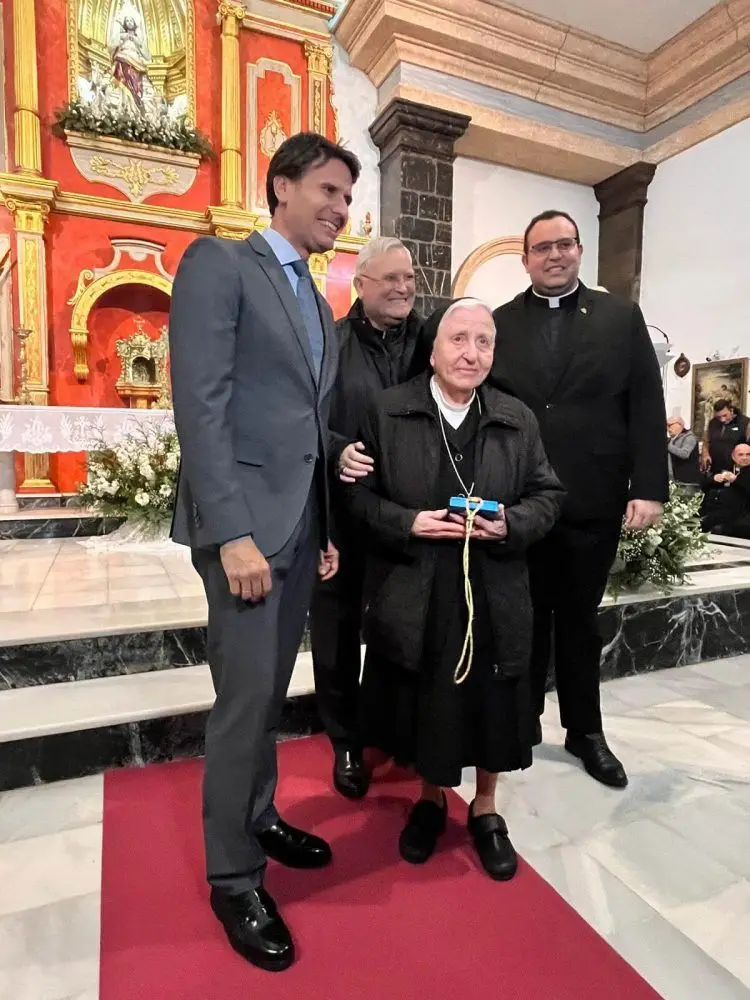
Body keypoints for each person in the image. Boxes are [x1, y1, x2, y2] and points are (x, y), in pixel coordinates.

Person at [169, 132, 360, 972]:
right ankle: (233, 878)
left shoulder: (317, 301)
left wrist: (322, 527)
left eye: (347, 198)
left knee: (271, 693)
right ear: (281, 186)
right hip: (244, 529)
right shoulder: (221, 263)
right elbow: (201, 404)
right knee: (244, 704)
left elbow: (305, 427)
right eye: (327, 190)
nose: (339, 209)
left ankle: (258, 816)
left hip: (296, 527)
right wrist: (233, 533)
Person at [344, 299, 564, 879]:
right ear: (434, 349)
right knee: (429, 698)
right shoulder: (388, 410)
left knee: (492, 700)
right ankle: (431, 798)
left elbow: (548, 494)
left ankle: (486, 809)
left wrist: (510, 523)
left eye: (484, 341)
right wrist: (407, 522)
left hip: (495, 583)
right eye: (458, 339)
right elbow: (356, 497)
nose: (471, 353)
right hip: (419, 584)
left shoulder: (516, 417)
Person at [489, 209, 668, 789]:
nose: (554, 255)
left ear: (579, 250)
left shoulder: (620, 316)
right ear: (525, 259)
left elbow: (645, 402)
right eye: (542, 248)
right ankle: (522, 721)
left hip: (593, 496)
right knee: (524, 618)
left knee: (579, 622)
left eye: (564, 244)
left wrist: (649, 487)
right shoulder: (500, 322)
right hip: (521, 500)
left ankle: (585, 731)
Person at [309, 236, 428, 800]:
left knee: (402, 626)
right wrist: (337, 450)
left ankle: (394, 727)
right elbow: (305, 417)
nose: (404, 288)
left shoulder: (431, 340)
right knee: (335, 632)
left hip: (411, 514)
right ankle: (346, 741)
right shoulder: (329, 344)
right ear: (360, 285)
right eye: (391, 279)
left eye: (409, 277)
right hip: (344, 514)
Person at [701, 442, 750, 537]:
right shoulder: (725, 468)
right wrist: (714, 479)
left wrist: (736, 480)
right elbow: (703, 485)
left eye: (748, 454)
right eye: (740, 455)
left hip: (740, 514)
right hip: (715, 510)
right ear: (733, 457)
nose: (745, 457)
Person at [700, 399, 750, 475]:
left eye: (725, 415)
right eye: (718, 417)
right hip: (714, 471)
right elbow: (706, 441)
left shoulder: (745, 423)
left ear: (731, 410)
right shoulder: (713, 422)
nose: (722, 420)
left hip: (737, 472)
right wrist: (705, 454)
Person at [667, 417, 701, 491]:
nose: (668, 428)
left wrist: (668, 446)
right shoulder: (671, 440)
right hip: (674, 481)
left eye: (670, 425)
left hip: (687, 482)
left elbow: (685, 454)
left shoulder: (689, 438)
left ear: (680, 425)